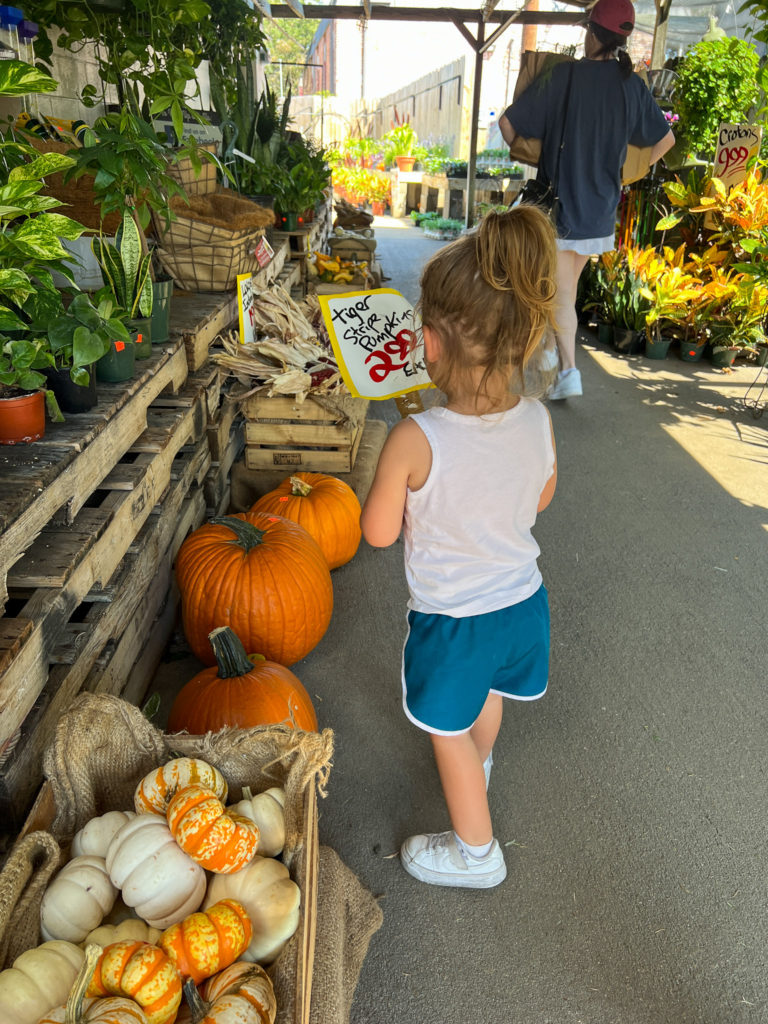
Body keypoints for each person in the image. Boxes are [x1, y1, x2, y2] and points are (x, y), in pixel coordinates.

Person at [360, 206, 559, 888]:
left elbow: (379, 533)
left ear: (430, 344)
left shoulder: (415, 440)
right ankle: (484, 763)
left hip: (453, 625)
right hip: (522, 607)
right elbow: (540, 498)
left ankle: (478, 853)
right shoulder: (536, 419)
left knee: (445, 733)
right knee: (489, 696)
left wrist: (402, 481)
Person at [498, 0, 675, 400]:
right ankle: (548, 355)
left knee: (556, 291)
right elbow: (665, 140)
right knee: (561, 287)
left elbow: (508, 124)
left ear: (591, 32)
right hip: (599, 211)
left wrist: (531, 154)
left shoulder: (563, 77)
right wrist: (625, 175)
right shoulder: (632, 85)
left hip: (562, 208)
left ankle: (568, 371)